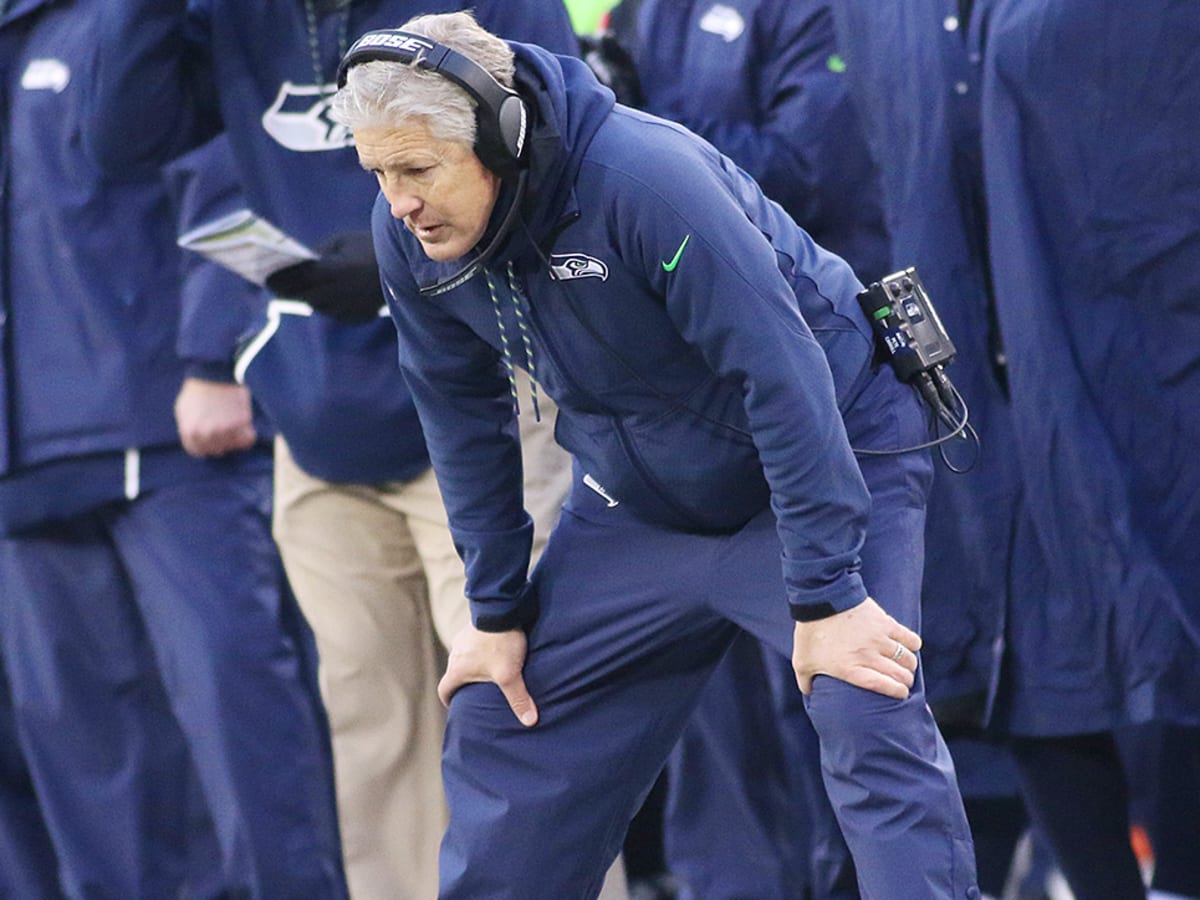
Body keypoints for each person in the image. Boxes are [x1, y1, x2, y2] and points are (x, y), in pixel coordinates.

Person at [331, 11, 980, 899]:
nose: (398, 201)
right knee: (504, 713)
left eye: (416, 169)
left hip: (827, 453)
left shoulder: (642, 178)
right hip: (643, 501)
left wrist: (828, 595)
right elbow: (458, 413)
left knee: (862, 702)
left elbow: (784, 379)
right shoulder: (408, 231)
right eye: (377, 172)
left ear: (501, 134)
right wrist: (495, 610)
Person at [85, 3, 608, 898]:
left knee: (514, 715)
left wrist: (393, 258)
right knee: (375, 746)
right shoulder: (235, 18)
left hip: (484, 410)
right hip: (318, 422)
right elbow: (119, 141)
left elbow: (569, 154)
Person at [827, 2, 1200, 898]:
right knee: (1023, 645)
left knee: (1169, 606)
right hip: (973, 372)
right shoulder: (883, 17)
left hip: (1141, 340)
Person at [0, 4, 346, 896]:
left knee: (241, 713)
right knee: (80, 745)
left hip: (173, 430)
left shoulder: (129, 18)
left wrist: (217, 354)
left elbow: (236, 167)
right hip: (26, 454)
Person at [594, 1, 890, 896]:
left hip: (818, 387)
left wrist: (629, 128)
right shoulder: (642, 9)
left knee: (829, 684)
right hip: (684, 396)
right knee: (708, 702)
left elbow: (810, 169)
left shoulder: (812, 11)